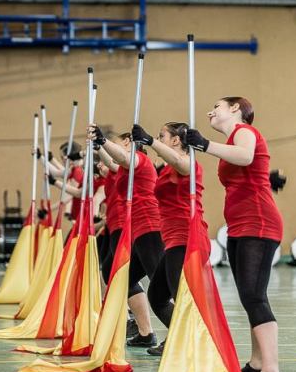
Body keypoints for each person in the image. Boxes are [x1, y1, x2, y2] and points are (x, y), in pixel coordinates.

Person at [185, 97, 285, 372]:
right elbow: (249, 169)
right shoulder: (231, 141)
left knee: (254, 295)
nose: (209, 110)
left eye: (216, 105)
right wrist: (267, 177)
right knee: (249, 296)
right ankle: (256, 365)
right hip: (240, 225)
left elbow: (244, 156)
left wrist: (204, 144)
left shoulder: (244, 132)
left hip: (259, 222)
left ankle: (272, 371)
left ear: (235, 109)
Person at [131, 122, 208, 356]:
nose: (158, 138)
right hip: (172, 240)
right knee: (157, 295)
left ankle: (193, 344)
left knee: (180, 296)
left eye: (161, 135)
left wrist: (150, 142)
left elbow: (179, 163)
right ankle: (179, 337)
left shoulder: (189, 164)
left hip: (187, 238)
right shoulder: (165, 168)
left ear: (176, 141)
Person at [89, 125, 164, 348]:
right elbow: (114, 160)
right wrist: (98, 145)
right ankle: (144, 332)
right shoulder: (123, 168)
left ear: (131, 144)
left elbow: (120, 157)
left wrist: (102, 141)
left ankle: (169, 333)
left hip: (147, 226)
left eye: (121, 142)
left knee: (159, 287)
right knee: (119, 277)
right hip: (136, 227)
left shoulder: (139, 160)